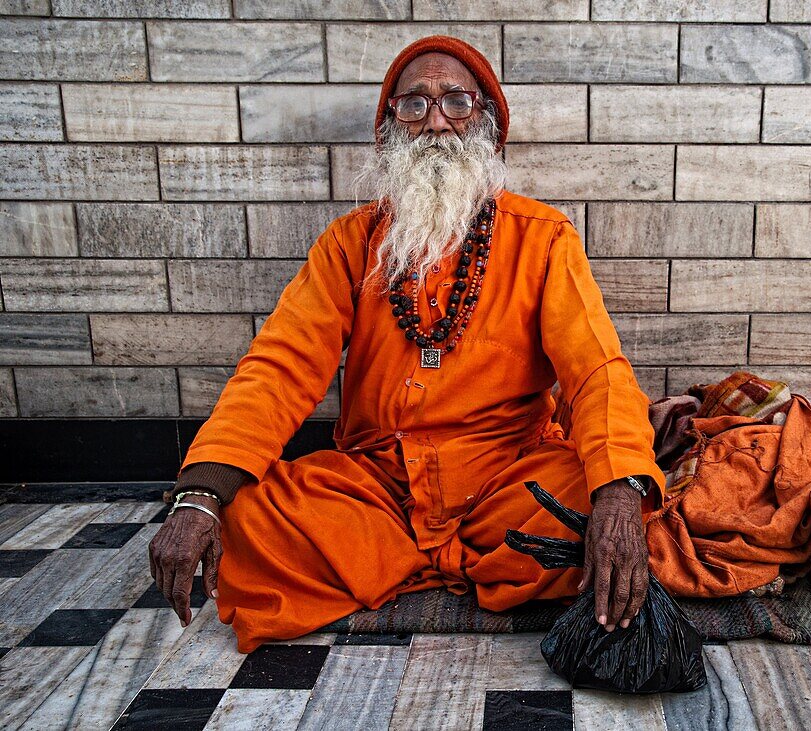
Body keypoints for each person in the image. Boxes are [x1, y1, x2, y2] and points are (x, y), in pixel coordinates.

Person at [148, 35, 666, 654]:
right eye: (414, 105)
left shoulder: (543, 237)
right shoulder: (348, 245)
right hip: (378, 488)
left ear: (489, 126)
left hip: (505, 480)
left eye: (457, 101)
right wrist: (201, 493)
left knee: (612, 503)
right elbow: (279, 369)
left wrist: (617, 494)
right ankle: (475, 567)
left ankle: (388, 569)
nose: (437, 120)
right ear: (390, 128)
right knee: (243, 519)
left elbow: (596, 372)